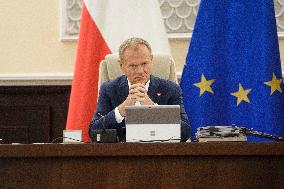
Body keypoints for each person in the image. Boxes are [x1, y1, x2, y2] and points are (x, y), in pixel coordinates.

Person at [89, 37, 190, 142]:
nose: (140, 71)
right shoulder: (109, 89)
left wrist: (153, 109)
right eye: (133, 66)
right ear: (121, 66)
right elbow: (94, 132)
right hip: (122, 154)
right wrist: (121, 110)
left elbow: (185, 132)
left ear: (151, 60)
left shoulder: (170, 89)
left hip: (160, 153)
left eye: (144, 64)